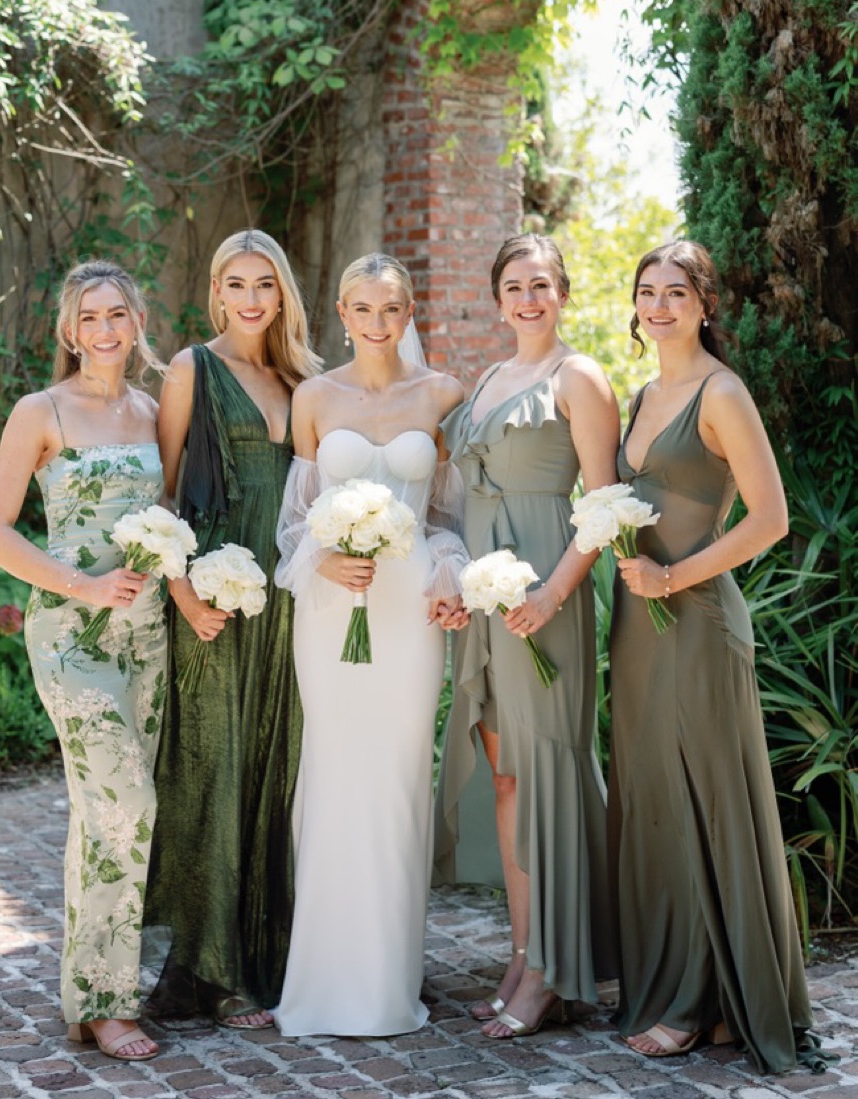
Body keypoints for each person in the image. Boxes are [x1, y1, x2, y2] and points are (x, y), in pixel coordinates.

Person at [608, 241, 815, 1072]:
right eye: (647, 291)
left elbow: (771, 519)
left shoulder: (721, 393)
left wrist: (671, 577)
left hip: (696, 622)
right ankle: (689, 991)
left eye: (676, 292)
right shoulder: (641, 395)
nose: (658, 306)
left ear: (704, 305)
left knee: (707, 802)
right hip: (638, 626)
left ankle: (701, 1001)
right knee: (657, 798)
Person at [273, 252, 467, 1036]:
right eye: (362, 307)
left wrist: (449, 568)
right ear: (342, 314)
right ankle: (324, 977)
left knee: (397, 776)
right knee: (333, 770)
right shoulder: (314, 397)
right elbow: (294, 520)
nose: (377, 322)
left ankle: (389, 978)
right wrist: (322, 557)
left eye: (391, 308)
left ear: (408, 312)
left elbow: (450, 516)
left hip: (409, 610)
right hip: (331, 608)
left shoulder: (444, 394)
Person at [0, 260, 166, 1061]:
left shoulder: (153, 411)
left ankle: (90, 992)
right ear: (68, 329)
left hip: (148, 639)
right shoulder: (41, 410)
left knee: (106, 813)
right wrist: (81, 585)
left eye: (117, 313)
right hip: (70, 633)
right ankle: (108, 1003)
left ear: (138, 322)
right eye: (89, 316)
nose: (104, 329)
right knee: (126, 800)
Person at [434, 233, 620, 1039]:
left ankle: (553, 969)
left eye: (541, 284)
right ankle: (522, 955)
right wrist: (455, 587)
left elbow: (604, 504)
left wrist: (553, 592)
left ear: (563, 293)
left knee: (547, 772)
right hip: (487, 596)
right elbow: (458, 498)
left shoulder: (579, 377)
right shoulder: (486, 379)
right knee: (508, 777)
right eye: (514, 285)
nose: (528, 298)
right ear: (498, 298)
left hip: (545, 590)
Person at [143, 229, 321, 1028]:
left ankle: (270, 954)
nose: (251, 299)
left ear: (283, 294)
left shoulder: (303, 377)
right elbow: (162, 495)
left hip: (291, 597)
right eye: (237, 284)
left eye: (265, 285)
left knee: (278, 765)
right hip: (216, 591)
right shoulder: (192, 369)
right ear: (217, 292)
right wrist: (184, 595)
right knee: (213, 767)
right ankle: (209, 968)